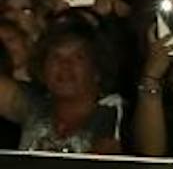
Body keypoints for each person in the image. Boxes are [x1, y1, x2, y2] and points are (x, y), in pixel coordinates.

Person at [0, 25, 123, 155]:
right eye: (56, 57)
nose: (65, 65)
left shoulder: (115, 114)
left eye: (78, 57)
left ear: (97, 70)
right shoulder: (34, 107)